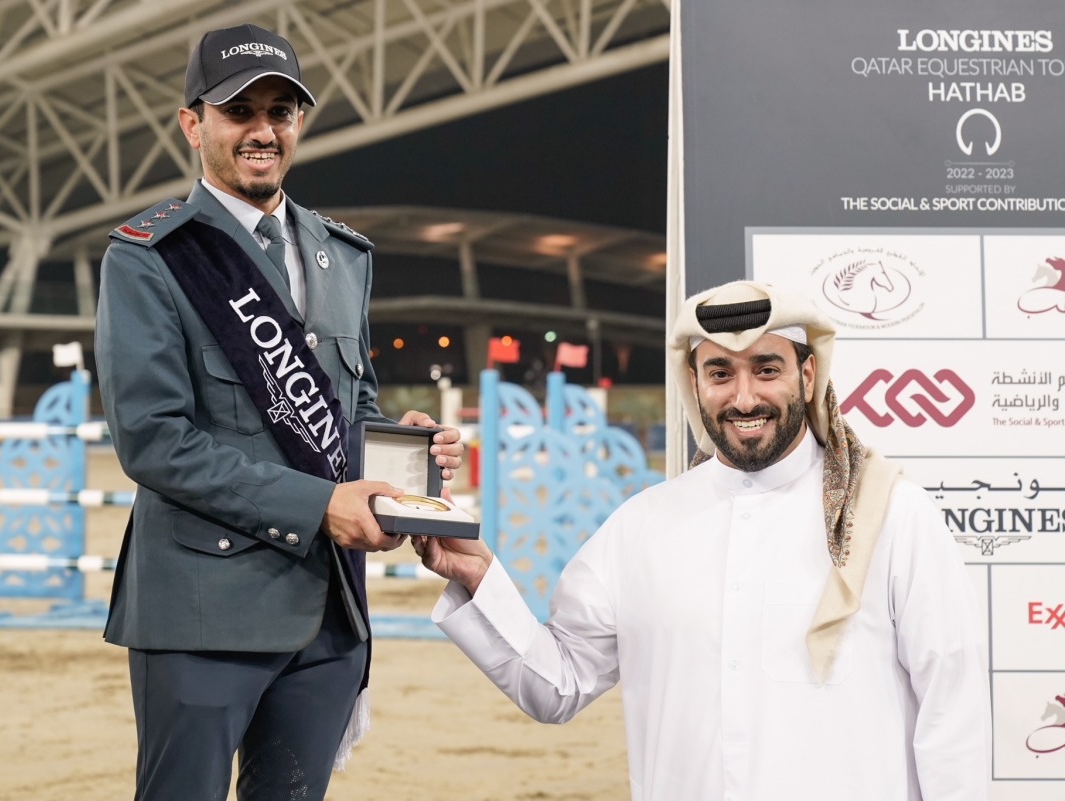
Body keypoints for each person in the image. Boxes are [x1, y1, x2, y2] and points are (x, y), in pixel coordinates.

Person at [414, 280, 990, 800]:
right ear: (695, 383)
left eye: (767, 369)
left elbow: (952, 713)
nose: (744, 398)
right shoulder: (642, 526)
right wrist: (478, 576)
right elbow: (556, 685)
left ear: (808, 376)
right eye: (721, 374)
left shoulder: (890, 515)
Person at [93, 22, 463, 801]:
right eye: (239, 111)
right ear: (194, 124)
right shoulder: (149, 258)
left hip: (326, 612)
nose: (263, 130)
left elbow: (344, 408)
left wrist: (404, 454)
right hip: (202, 612)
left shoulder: (343, 254)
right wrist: (321, 502)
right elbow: (154, 441)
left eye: (281, 110)